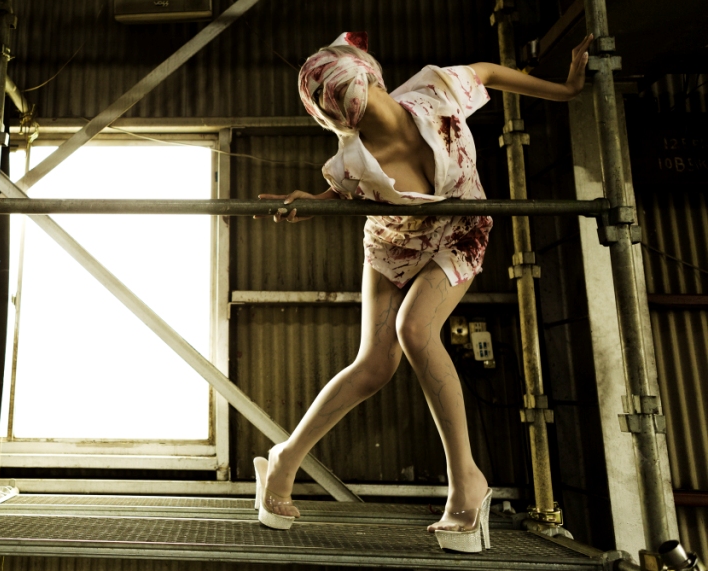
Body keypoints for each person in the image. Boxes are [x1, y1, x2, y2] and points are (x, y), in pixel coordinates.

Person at [253, 30, 595, 552]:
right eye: (350, 118)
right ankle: (284, 459)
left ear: (374, 80)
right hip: (392, 243)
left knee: (416, 330)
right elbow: (340, 192)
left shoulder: (438, 91)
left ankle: (467, 486)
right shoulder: (349, 160)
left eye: (363, 102)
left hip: (460, 230)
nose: (363, 120)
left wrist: (565, 90)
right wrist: (313, 200)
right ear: (339, 121)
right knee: (373, 366)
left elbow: (493, 73)